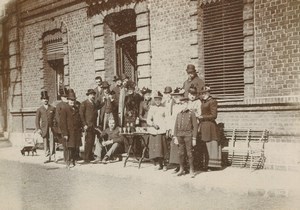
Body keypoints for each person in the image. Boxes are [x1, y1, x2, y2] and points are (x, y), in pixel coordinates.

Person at [173, 97, 198, 178]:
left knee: (189, 153)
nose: (183, 105)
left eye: (184, 104)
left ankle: (191, 170)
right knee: (181, 153)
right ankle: (181, 169)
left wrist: (194, 138)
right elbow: (176, 126)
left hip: (188, 136)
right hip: (180, 136)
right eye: (181, 104)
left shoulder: (191, 114)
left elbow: (195, 127)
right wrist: (175, 137)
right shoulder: (178, 114)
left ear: (187, 104)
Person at [199, 85, 222, 170]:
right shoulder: (202, 101)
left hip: (210, 126)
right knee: (205, 145)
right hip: (203, 125)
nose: (203, 94)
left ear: (209, 93)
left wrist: (203, 117)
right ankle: (205, 165)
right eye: (202, 93)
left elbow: (214, 115)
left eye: (205, 93)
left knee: (211, 145)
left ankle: (212, 166)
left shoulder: (212, 101)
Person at [60, 90, 82, 168]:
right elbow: (62, 123)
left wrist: (81, 129)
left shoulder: (76, 108)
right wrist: (65, 133)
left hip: (76, 131)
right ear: (68, 100)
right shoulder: (64, 109)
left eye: (73, 100)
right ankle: (68, 161)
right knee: (68, 147)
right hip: (68, 131)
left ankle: (73, 160)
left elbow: (79, 119)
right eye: (71, 100)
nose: (72, 101)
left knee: (74, 146)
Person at [147, 91, 167, 170]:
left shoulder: (164, 108)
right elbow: (148, 119)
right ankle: (159, 164)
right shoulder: (152, 108)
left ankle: (165, 164)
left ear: (161, 99)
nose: (157, 101)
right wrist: (152, 124)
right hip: (154, 130)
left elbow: (167, 118)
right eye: (156, 100)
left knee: (162, 148)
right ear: (154, 100)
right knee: (155, 148)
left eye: (159, 99)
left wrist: (167, 127)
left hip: (162, 129)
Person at [167, 87, 185, 172]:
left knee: (182, 147)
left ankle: (184, 166)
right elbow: (172, 118)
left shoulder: (184, 105)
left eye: (179, 96)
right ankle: (177, 165)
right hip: (175, 128)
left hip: (182, 128)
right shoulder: (174, 106)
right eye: (175, 97)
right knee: (175, 146)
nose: (177, 98)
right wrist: (170, 128)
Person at [35, 90, 56, 163]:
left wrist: (55, 127)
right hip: (44, 128)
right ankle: (47, 156)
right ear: (41, 100)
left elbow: (55, 118)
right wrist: (38, 129)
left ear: (48, 99)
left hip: (51, 128)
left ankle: (52, 155)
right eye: (44, 99)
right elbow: (37, 120)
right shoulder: (40, 109)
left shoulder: (52, 108)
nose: (45, 100)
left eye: (46, 99)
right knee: (45, 141)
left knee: (52, 141)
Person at [79, 89, 98, 164]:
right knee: (88, 141)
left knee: (92, 141)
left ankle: (90, 155)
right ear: (88, 95)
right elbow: (81, 115)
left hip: (93, 125)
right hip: (88, 125)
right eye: (91, 94)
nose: (92, 96)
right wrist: (84, 124)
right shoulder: (84, 103)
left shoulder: (93, 103)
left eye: (93, 94)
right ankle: (86, 157)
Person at [53, 87, 69, 163]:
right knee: (65, 143)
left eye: (66, 97)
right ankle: (66, 158)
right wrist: (62, 126)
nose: (65, 98)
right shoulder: (59, 105)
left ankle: (71, 157)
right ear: (61, 97)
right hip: (62, 128)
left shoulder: (69, 104)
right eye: (64, 97)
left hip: (70, 127)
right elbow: (57, 117)